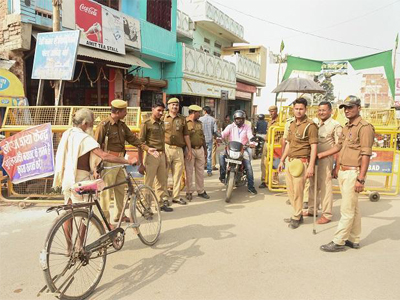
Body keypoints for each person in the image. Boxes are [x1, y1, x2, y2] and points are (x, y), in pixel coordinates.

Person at [320, 96, 374, 252]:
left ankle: (339, 241)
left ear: (359, 108)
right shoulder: (347, 126)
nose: (347, 110)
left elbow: (366, 154)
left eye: (350, 107)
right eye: (345, 108)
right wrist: (322, 155)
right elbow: (338, 146)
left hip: (353, 173)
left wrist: (361, 179)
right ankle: (354, 238)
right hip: (343, 171)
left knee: (346, 209)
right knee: (354, 207)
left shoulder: (365, 128)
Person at [53, 108, 132, 206]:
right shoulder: (84, 138)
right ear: (85, 123)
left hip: (67, 176)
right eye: (92, 122)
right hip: (80, 179)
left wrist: (95, 169)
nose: (93, 125)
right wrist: (127, 161)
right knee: (83, 211)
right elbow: (104, 155)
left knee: (69, 207)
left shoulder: (68, 133)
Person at [94, 100, 145, 223]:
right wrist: (96, 167)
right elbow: (95, 147)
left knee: (120, 189)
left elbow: (132, 139)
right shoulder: (104, 126)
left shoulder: (122, 126)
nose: (126, 113)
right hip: (109, 162)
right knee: (106, 192)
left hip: (121, 161)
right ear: (117, 112)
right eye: (124, 111)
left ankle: (119, 215)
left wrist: (146, 147)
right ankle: (105, 220)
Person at [278, 98, 318, 229]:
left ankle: (296, 216)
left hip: (301, 162)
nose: (298, 111)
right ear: (293, 109)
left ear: (305, 109)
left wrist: (311, 166)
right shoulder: (291, 124)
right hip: (290, 162)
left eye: (301, 109)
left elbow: (314, 147)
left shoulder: (310, 126)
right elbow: (289, 144)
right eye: (296, 109)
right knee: (290, 191)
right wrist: (282, 160)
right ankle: (297, 213)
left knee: (298, 192)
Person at [303, 101, 342, 224]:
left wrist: (325, 157)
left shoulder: (335, 125)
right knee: (312, 184)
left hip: (325, 160)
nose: (321, 112)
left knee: (325, 186)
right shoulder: (314, 123)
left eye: (324, 110)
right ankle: (312, 209)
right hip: (313, 159)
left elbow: (338, 147)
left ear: (331, 111)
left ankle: (327, 214)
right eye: (319, 110)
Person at [140, 101, 173, 212]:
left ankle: (160, 203)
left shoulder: (162, 123)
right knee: (148, 183)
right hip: (151, 155)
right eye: (158, 110)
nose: (160, 113)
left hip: (162, 155)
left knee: (162, 181)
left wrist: (165, 157)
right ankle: (146, 207)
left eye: (162, 111)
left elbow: (162, 141)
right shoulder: (146, 123)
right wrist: (141, 163)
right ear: (152, 109)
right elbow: (140, 143)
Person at [219, 110, 258, 195]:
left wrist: (252, 142)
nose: (238, 120)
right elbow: (224, 133)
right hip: (231, 147)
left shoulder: (247, 127)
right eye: (237, 119)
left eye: (240, 119)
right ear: (234, 119)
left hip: (242, 148)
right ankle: (222, 175)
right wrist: (219, 137)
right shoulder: (230, 126)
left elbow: (250, 136)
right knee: (221, 156)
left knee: (248, 166)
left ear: (244, 119)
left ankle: (251, 186)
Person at [162, 97, 192, 206]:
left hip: (179, 149)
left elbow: (186, 135)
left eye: (177, 105)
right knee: (164, 174)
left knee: (178, 174)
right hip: (166, 148)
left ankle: (176, 196)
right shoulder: (163, 118)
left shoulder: (182, 119)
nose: (175, 107)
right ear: (168, 106)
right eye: (172, 104)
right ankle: (164, 197)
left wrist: (189, 150)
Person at [185, 105, 210, 201]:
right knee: (189, 171)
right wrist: (186, 151)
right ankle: (189, 191)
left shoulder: (200, 123)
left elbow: (202, 136)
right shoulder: (185, 122)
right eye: (198, 113)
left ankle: (200, 191)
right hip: (189, 150)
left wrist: (205, 149)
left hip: (200, 149)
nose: (199, 114)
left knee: (200, 171)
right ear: (193, 112)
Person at [259, 106, 279, 189]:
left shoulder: (280, 120)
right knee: (264, 162)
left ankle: (274, 181)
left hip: (275, 143)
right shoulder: (270, 121)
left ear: (276, 111)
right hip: (267, 143)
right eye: (270, 111)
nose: (271, 113)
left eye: (272, 111)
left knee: (275, 162)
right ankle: (264, 180)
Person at [199, 106, 218, 176]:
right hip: (209, 139)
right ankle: (209, 171)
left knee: (201, 155)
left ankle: (201, 170)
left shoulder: (200, 119)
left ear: (205, 111)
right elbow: (215, 131)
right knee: (209, 155)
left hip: (201, 140)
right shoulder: (213, 120)